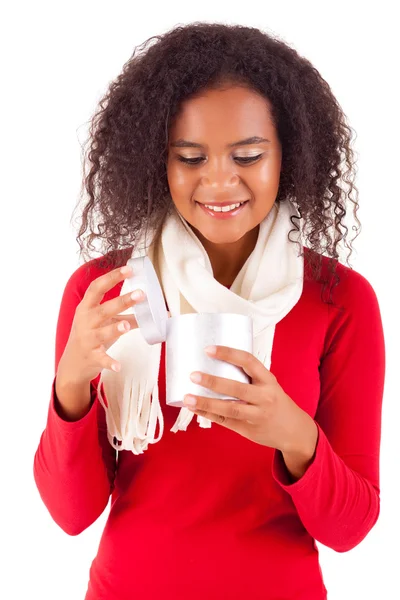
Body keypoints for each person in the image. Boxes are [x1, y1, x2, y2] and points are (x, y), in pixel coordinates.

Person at [33, 22, 386, 600]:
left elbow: (350, 529)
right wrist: (72, 382)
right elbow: (71, 515)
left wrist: (293, 434)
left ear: (288, 155)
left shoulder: (338, 300)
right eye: (190, 157)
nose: (219, 181)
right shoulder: (104, 290)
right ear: (157, 162)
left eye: (247, 155)